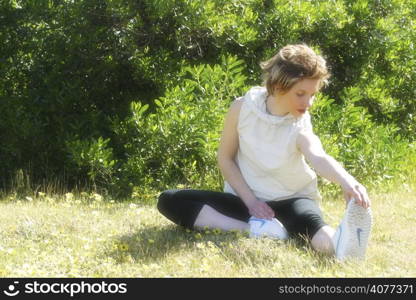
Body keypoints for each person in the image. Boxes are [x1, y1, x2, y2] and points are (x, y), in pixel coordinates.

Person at [157, 44, 372, 260]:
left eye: (312, 94)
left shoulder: (300, 125)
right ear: (278, 86)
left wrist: (347, 181)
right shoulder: (241, 108)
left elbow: (319, 157)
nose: (308, 103)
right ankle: (258, 230)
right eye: (300, 94)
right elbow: (225, 158)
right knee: (170, 200)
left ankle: (340, 243)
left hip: (292, 202)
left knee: (317, 234)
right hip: (246, 202)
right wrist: (252, 203)